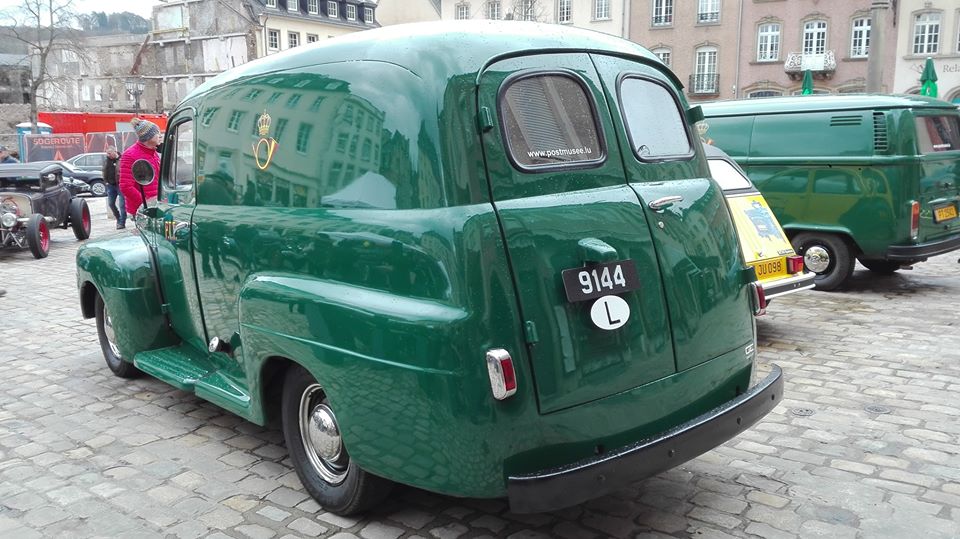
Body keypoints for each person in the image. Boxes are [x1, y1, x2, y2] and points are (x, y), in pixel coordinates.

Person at [119, 118, 161, 215]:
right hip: (143, 210)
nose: (160, 136)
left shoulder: (153, 153)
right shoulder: (130, 155)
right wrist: (145, 204)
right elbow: (126, 186)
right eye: (157, 133)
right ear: (148, 137)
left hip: (156, 205)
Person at [102, 146, 126, 229]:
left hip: (120, 185)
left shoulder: (122, 159)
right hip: (110, 185)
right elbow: (103, 171)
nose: (108, 155)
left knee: (122, 205)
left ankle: (122, 222)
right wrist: (106, 182)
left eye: (109, 153)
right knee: (111, 204)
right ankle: (118, 218)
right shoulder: (106, 161)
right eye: (107, 153)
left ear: (115, 151)